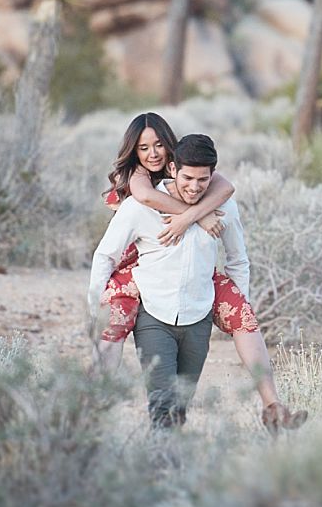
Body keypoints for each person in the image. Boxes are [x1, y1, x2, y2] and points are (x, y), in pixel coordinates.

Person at [90, 115, 304, 431]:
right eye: (144, 147)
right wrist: (194, 218)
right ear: (173, 170)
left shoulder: (206, 181)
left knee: (182, 406)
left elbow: (234, 242)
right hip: (139, 279)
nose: (153, 154)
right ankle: (90, 408)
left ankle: (273, 405)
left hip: (197, 305)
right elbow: (111, 247)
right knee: (118, 338)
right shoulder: (140, 189)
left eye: (159, 145)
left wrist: (194, 216)